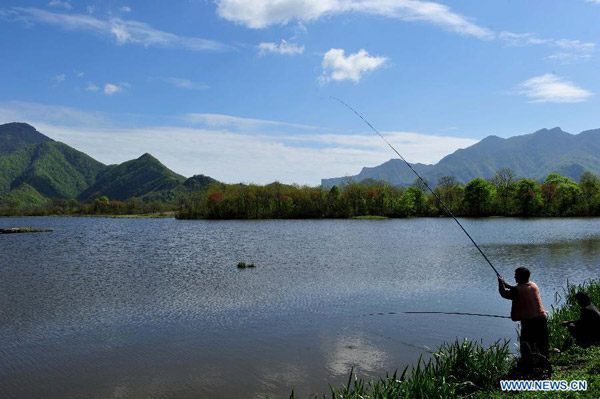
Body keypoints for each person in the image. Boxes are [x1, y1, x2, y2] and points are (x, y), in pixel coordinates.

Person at [498, 267, 549, 363]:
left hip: (529, 322)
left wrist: (500, 283)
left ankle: (527, 367)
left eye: (516, 275)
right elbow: (520, 290)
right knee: (542, 344)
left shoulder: (517, 290)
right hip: (541, 319)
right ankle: (544, 363)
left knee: (526, 345)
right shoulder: (533, 285)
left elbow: (504, 294)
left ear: (521, 276)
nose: (514, 277)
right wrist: (509, 286)